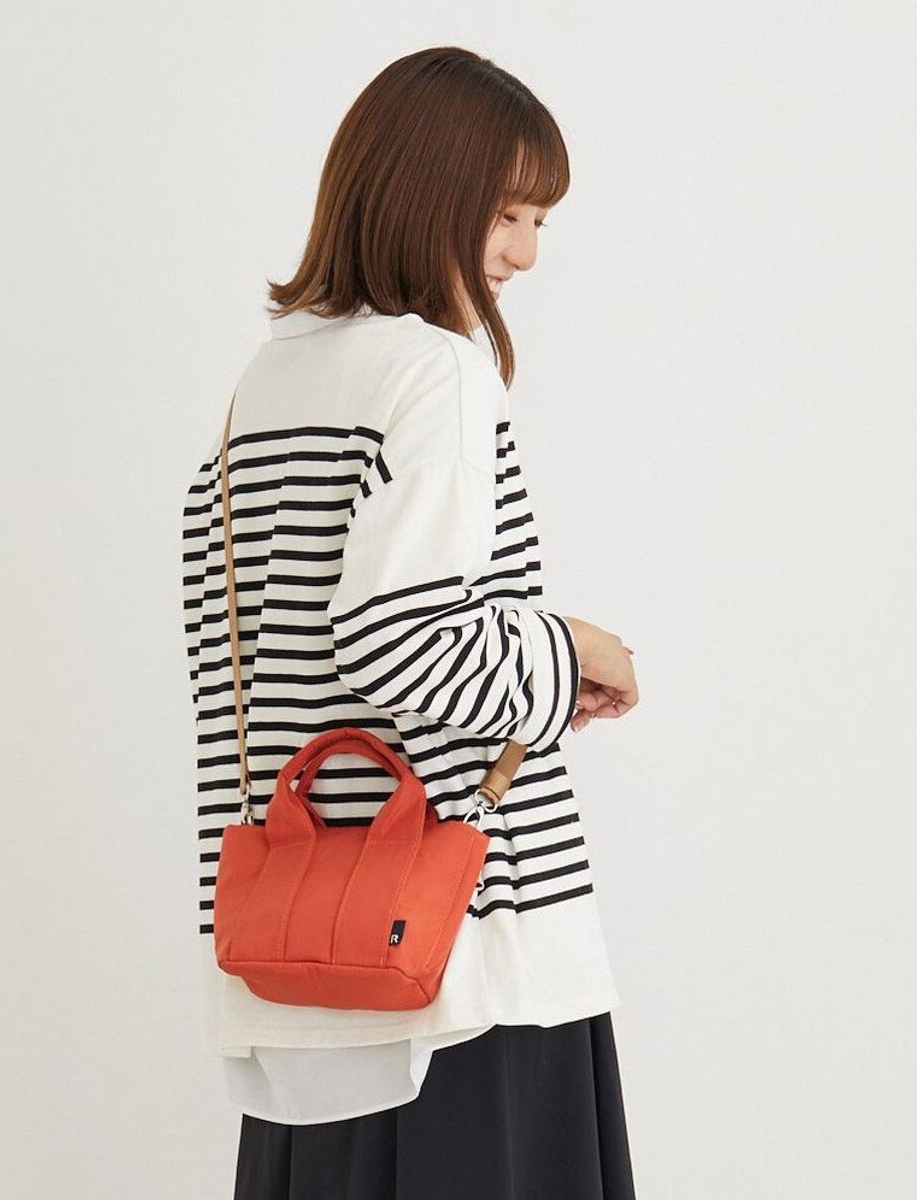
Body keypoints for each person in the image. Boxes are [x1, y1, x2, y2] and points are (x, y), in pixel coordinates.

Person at [181, 44, 640, 1200]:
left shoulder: (264, 388)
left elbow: (260, 665)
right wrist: (568, 652)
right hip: (457, 961)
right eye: (506, 213)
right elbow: (398, 642)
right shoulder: (432, 372)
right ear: (423, 189)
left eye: (537, 221)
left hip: (298, 959)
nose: (525, 253)